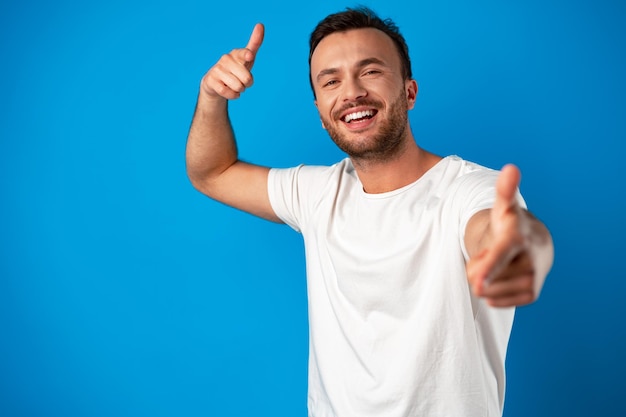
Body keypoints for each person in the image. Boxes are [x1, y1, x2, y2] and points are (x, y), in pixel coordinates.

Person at [186, 6, 554, 417]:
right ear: (322, 115)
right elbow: (212, 173)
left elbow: (500, 231)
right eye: (331, 80)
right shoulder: (317, 194)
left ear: (410, 92)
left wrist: (517, 252)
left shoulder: (468, 189)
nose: (351, 92)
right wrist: (211, 97)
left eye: (371, 71)